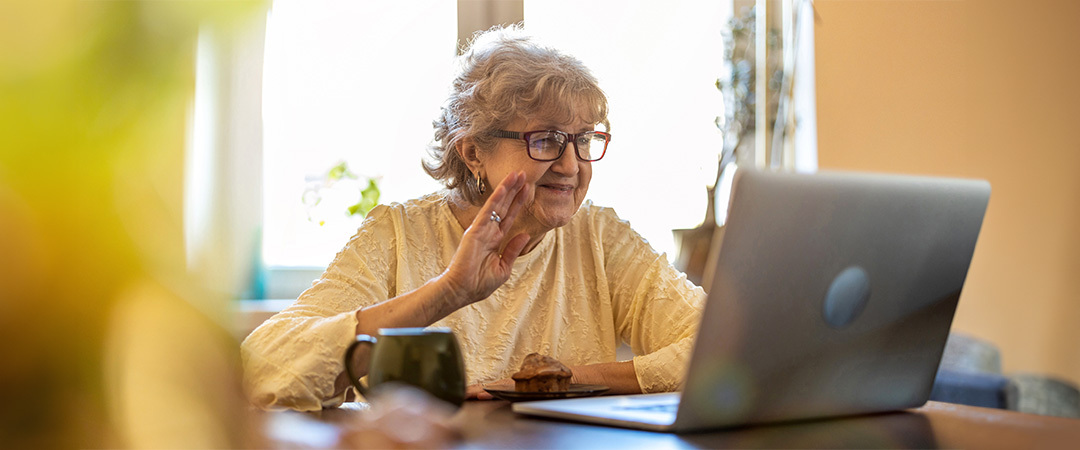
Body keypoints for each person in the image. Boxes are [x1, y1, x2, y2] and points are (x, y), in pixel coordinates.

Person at [241, 25, 705, 411]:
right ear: (472, 151)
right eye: (545, 140)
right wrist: (449, 290)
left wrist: (551, 382)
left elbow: (720, 347)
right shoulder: (398, 234)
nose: (571, 165)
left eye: (584, 140)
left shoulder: (600, 238)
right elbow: (264, 366)